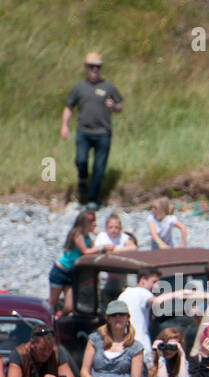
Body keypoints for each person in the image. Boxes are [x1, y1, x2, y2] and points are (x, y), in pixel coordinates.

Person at [60, 52, 123, 209]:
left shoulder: (108, 87)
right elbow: (69, 107)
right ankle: (82, 180)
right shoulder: (79, 88)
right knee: (81, 160)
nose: (95, 69)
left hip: (103, 133)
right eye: (91, 66)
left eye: (98, 67)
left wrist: (113, 106)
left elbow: (119, 106)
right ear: (86, 68)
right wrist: (64, 126)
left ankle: (92, 200)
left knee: (99, 168)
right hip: (84, 132)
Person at [48, 210, 97, 316]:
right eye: (91, 223)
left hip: (72, 273)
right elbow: (85, 251)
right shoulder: (77, 234)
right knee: (52, 302)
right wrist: (102, 247)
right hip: (61, 270)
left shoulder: (87, 237)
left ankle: (59, 317)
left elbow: (93, 250)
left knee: (70, 306)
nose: (94, 225)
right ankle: (46, 320)